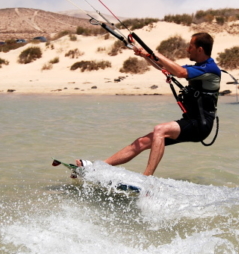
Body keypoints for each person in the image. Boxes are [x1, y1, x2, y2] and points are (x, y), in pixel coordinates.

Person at [76, 32, 221, 176]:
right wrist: (145, 55)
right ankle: (98, 167)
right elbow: (164, 67)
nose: (187, 49)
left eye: (190, 46)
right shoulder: (199, 67)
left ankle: (146, 178)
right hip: (190, 121)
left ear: (200, 49)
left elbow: (180, 73)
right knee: (142, 142)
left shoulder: (210, 69)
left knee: (160, 130)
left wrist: (156, 53)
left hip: (201, 125)